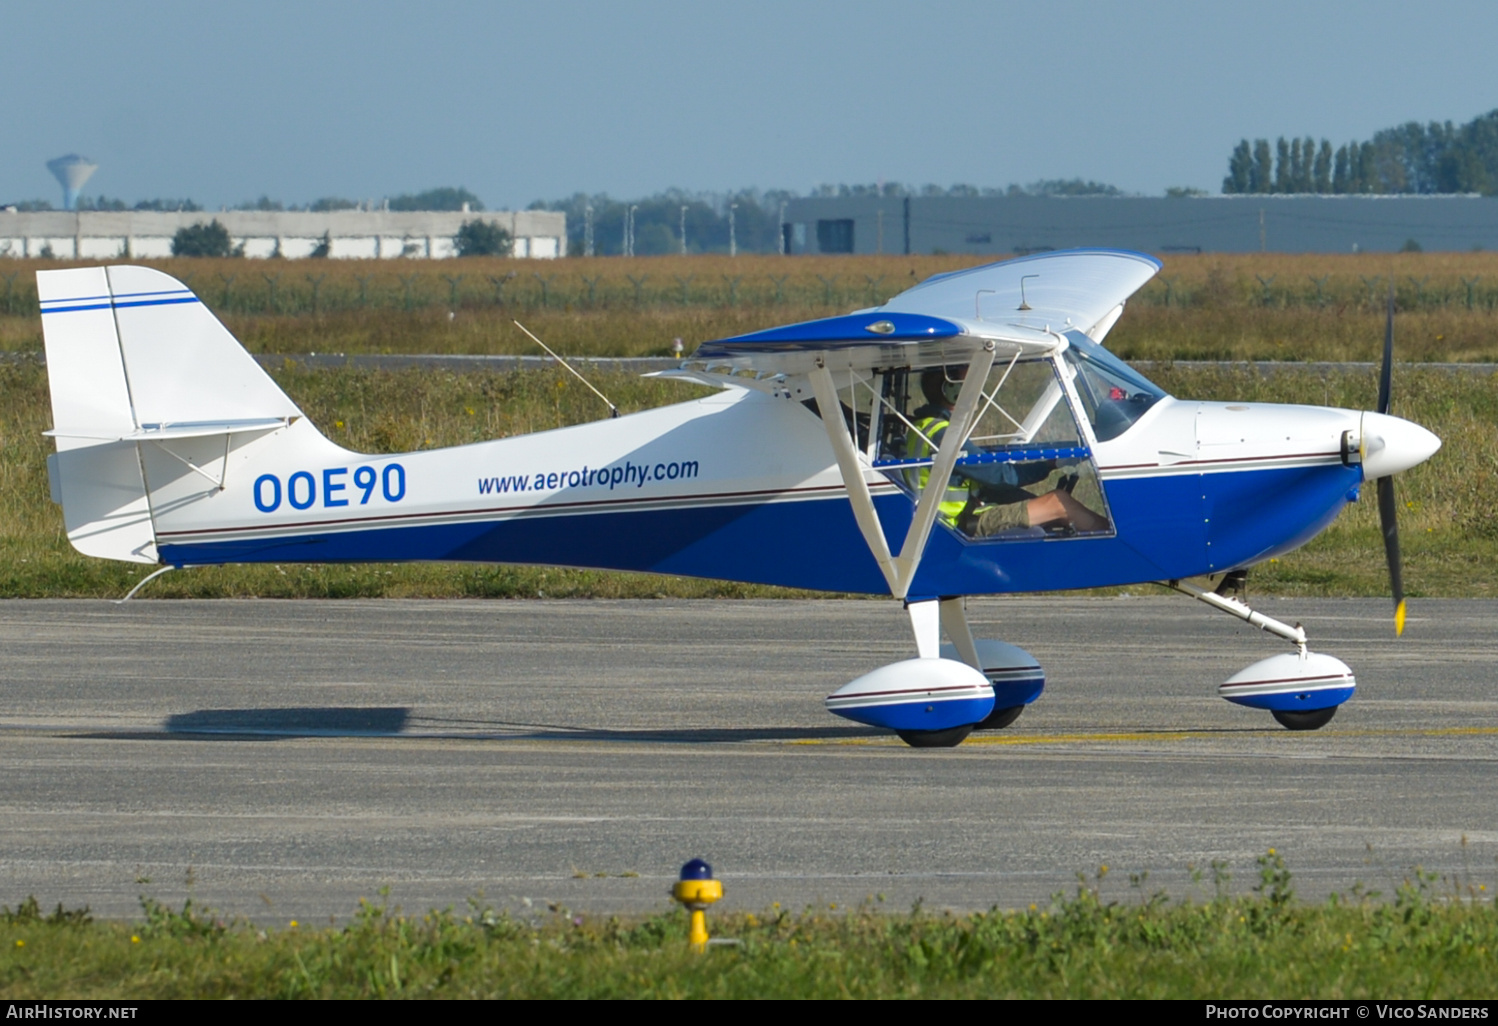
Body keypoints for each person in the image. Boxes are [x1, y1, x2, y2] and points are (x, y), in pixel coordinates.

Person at [904, 366, 1109, 536]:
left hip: (946, 520)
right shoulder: (945, 435)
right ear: (951, 390)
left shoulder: (925, 427)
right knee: (1058, 502)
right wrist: (1051, 464)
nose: (979, 389)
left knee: (1035, 499)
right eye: (971, 383)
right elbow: (1002, 476)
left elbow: (981, 476)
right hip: (954, 527)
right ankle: (1112, 545)